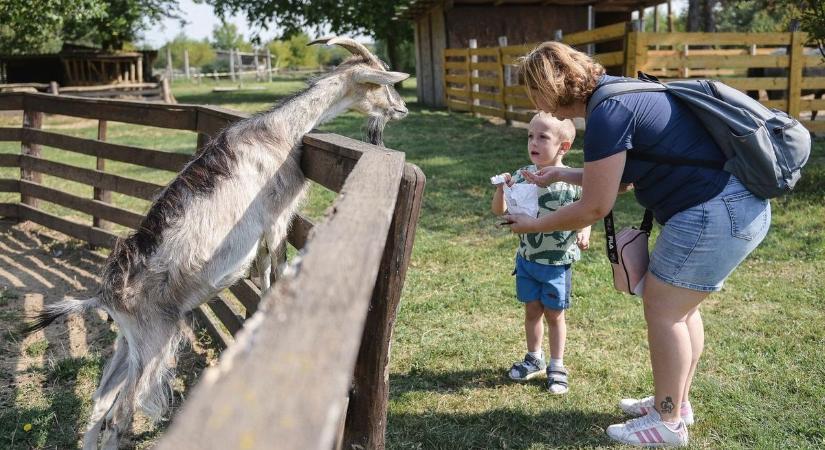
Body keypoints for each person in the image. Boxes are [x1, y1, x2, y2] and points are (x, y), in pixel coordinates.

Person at [506, 42, 770, 447]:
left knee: (664, 312)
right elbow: (623, 178)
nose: (534, 101)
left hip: (714, 213)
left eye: (534, 91)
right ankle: (676, 404)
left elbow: (595, 206)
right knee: (681, 312)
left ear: (552, 85)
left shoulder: (607, 113)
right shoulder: (622, 93)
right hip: (735, 207)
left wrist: (534, 225)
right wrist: (563, 174)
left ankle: (666, 423)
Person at [491, 112, 591, 395]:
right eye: (530, 136)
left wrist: (584, 231)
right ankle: (534, 357)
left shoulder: (572, 181)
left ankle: (557, 364)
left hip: (556, 264)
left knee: (555, 315)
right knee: (532, 311)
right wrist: (502, 191)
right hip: (527, 261)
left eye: (542, 137)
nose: (533, 142)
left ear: (564, 146)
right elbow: (501, 210)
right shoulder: (523, 175)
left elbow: (587, 211)